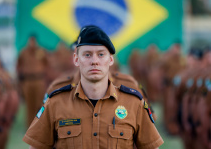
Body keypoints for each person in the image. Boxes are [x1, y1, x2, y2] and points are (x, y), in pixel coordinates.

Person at [23, 25, 163, 149]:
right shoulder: (55, 103)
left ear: (111, 60)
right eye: (87, 55)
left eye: (101, 54)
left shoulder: (134, 104)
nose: (94, 61)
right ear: (76, 59)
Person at [17, 34, 48, 127]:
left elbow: (47, 65)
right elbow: (18, 66)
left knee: (40, 104)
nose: (32, 43)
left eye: (33, 41)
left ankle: (39, 126)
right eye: (30, 41)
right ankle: (30, 127)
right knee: (29, 105)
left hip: (39, 80)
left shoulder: (41, 51)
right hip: (28, 81)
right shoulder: (23, 52)